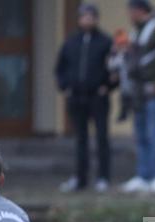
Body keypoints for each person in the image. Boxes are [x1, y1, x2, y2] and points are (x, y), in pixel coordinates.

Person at [54, 3, 114, 193]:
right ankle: (80, 178)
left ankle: (103, 177)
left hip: (98, 97)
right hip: (76, 97)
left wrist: (109, 87)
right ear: (79, 19)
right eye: (84, 16)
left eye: (91, 16)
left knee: (102, 137)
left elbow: (116, 69)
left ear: (96, 19)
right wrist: (65, 87)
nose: (87, 20)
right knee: (80, 139)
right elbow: (60, 68)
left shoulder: (106, 42)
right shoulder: (71, 42)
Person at [120, 0, 155, 195]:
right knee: (141, 134)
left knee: (154, 134)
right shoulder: (136, 31)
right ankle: (143, 176)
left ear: (140, 11)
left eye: (131, 11)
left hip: (153, 91)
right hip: (137, 91)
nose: (129, 15)